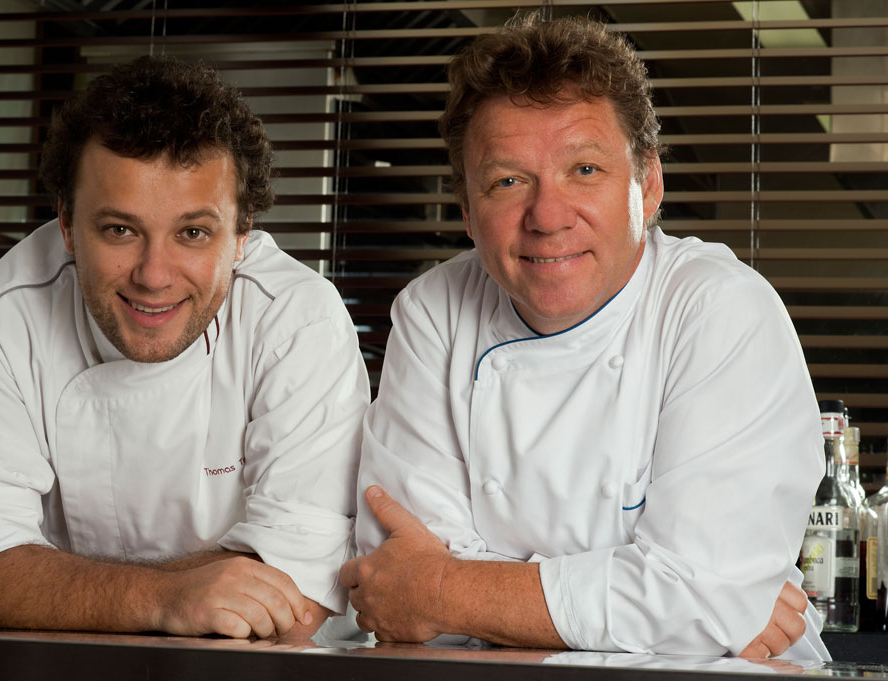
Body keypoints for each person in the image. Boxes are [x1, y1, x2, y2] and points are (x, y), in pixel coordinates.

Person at [341, 15, 829, 659]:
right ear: (466, 208)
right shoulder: (433, 311)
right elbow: (393, 584)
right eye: (507, 180)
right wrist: (680, 605)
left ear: (648, 186)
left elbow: (698, 598)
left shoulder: (718, 309)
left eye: (585, 169)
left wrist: (443, 590)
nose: (546, 217)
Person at [0, 56, 370, 639]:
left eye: (193, 233)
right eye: (119, 230)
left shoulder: (298, 321)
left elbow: (298, 594)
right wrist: (170, 597)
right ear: (66, 225)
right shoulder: (0, 318)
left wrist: (35, 588)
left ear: (241, 233)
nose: (154, 277)